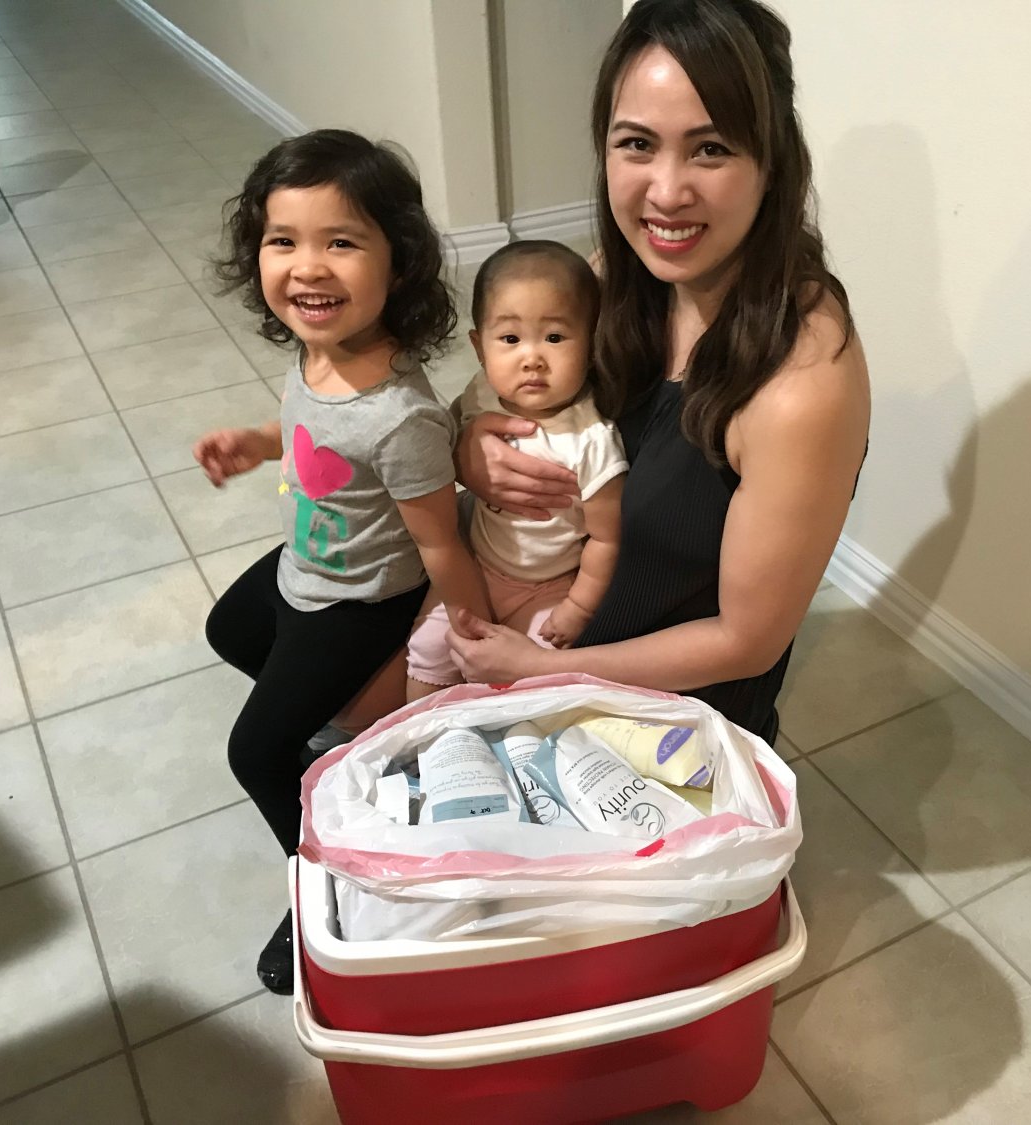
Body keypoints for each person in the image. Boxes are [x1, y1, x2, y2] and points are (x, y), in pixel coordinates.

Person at [450, 0, 871, 743]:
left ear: (772, 161)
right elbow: (513, 390)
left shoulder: (803, 381)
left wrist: (541, 670)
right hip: (553, 626)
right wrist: (471, 447)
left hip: (663, 726)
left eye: (710, 149)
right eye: (638, 144)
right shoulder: (618, 274)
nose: (667, 192)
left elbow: (745, 640)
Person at [194, 129, 489, 994]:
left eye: (342, 242)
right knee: (229, 628)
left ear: (399, 263)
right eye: (283, 240)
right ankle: (331, 732)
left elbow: (440, 542)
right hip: (307, 564)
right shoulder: (317, 349)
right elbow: (306, 431)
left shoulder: (401, 416)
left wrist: (474, 645)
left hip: (363, 599)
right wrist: (259, 442)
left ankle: (323, 878)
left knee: (256, 751)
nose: (308, 268)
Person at [404, 240, 627, 700]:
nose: (532, 358)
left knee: (534, 681)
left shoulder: (592, 439)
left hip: (550, 587)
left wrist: (579, 607)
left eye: (555, 338)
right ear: (479, 348)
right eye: (510, 339)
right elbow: (443, 441)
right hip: (476, 567)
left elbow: (607, 538)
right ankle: (421, 735)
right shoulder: (481, 393)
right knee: (428, 649)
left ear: (592, 344)